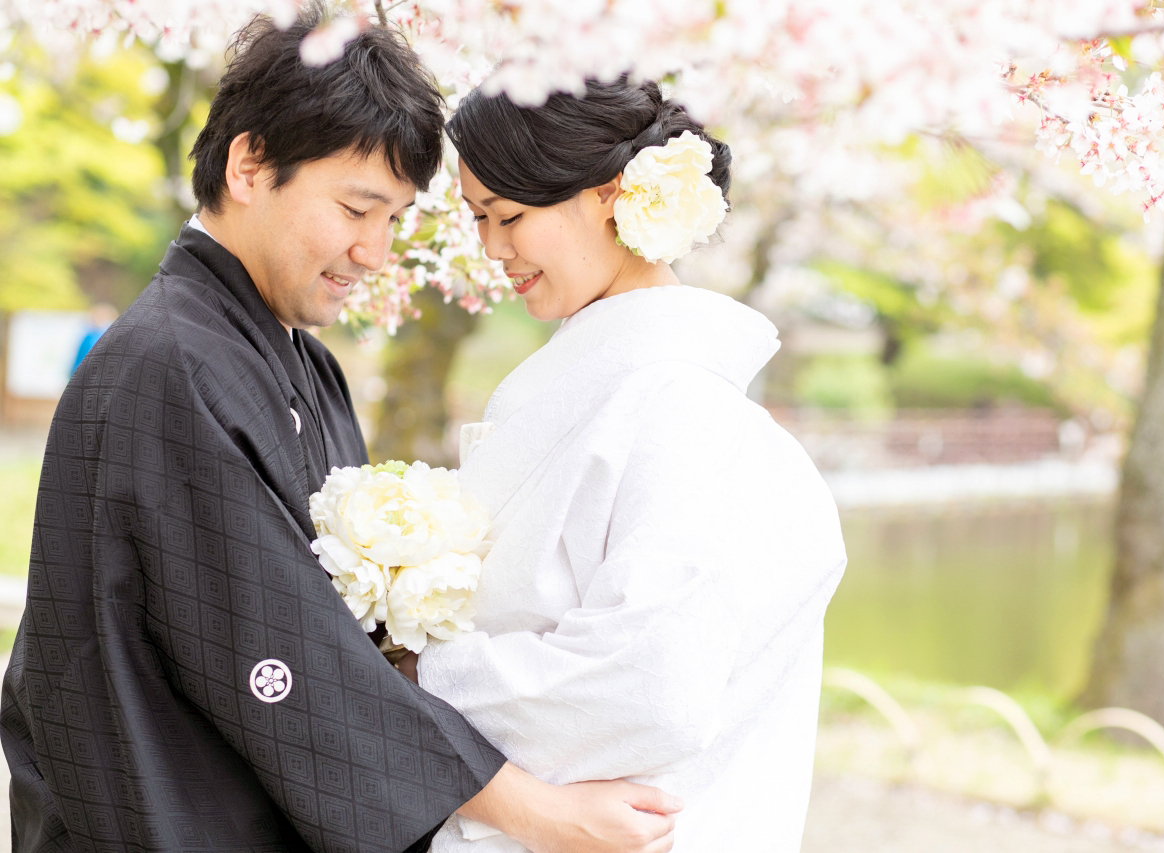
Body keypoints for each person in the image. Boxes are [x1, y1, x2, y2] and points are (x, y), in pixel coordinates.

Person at [0, 12, 680, 853]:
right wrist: (529, 808)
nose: (374, 250)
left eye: (393, 219)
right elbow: (282, 653)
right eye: (358, 207)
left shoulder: (299, 364)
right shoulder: (167, 364)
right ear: (250, 165)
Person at [410, 78, 848, 851]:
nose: (492, 249)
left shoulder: (683, 414)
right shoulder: (627, 393)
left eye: (509, 216)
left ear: (612, 194)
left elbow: (648, 689)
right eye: (478, 219)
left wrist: (419, 673)